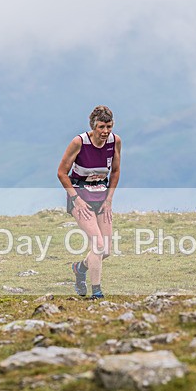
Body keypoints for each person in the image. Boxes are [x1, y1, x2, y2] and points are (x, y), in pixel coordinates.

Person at [57, 105, 121, 299]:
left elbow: (115, 171)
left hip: (102, 197)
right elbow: (62, 173)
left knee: (106, 251)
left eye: (108, 126)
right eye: (101, 127)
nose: (105, 131)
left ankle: (80, 268)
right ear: (93, 126)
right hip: (80, 196)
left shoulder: (115, 141)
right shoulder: (79, 142)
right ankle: (97, 293)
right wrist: (75, 199)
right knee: (98, 245)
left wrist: (109, 199)